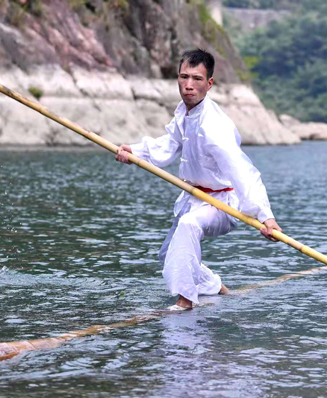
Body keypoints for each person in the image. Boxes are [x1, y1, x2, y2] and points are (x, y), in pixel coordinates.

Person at [115, 49, 281, 310]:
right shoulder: (183, 112)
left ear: (210, 83)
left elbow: (242, 171)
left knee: (189, 226)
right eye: (183, 77)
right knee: (169, 254)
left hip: (223, 202)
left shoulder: (214, 126)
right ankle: (215, 287)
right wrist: (134, 152)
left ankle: (186, 300)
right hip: (195, 196)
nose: (189, 85)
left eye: (197, 79)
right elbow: (167, 145)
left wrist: (265, 216)